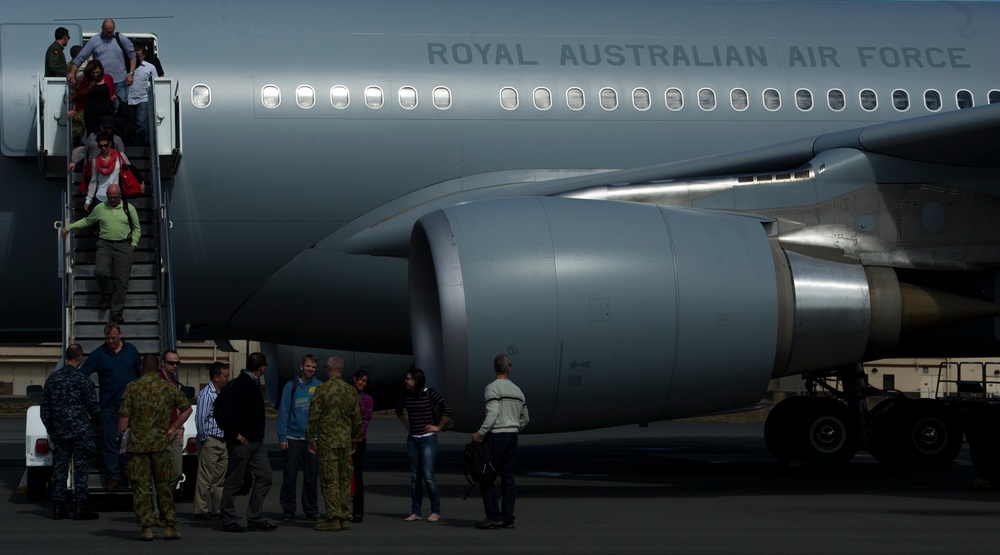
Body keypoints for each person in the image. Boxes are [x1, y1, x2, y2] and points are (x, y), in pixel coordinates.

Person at [119, 352, 192, 541]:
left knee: (141, 487)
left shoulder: (133, 387)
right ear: (158, 368)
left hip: (138, 446)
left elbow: (124, 420)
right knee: (163, 487)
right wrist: (174, 428)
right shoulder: (167, 387)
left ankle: (146, 528)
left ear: (142, 368)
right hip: (161, 444)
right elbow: (187, 408)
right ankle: (170, 527)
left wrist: (121, 442)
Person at [61, 183, 140, 324]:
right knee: (100, 272)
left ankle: (116, 311)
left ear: (120, 196)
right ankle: (106, 294)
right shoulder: (100, 208)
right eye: (110, 197)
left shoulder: (129, 208)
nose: (113, 200)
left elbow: (136, 227)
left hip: (124, 245)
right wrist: (69, 227)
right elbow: (87, 221)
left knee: (121, 281)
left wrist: (133, 244)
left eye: (115, 197)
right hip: (105, 244)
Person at [75, 322, 141, 490]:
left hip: (130, 406)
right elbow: (82, 375)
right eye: (108, 338)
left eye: (114, 337)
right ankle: (113, 476)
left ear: (120, 335)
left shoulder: (131, 351)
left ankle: (127, 469)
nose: (111, 341)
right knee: (108, 441)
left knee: (129, 440)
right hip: (109, 406)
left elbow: (140, 377)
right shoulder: (99, 354)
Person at [215, 352, 277, 533]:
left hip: (257, 443)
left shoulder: (251, 383)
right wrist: (234, 433)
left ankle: (255, 517)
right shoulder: (242, 384)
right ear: (261, 368)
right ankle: (228, 519)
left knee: (265, 477)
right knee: (234, 481)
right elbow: (224, 410)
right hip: (243, 444)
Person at [40, 343, 101, 521]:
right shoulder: (82, 379)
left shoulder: (53, 378)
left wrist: (50, 428)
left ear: (66, 357)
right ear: (80, 358)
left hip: (60, 433)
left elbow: (45, 408)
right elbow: (93, 406)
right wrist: (101, 423)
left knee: (59, 469)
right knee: (81, 470)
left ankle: (58, 507)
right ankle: (80, 507)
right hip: (80, 432)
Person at [472, 354, 530, 530]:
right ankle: (508, 518)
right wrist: (514, 427)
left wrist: (480, 433)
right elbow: (526, 418)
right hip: (512, 436)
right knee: (508, 478)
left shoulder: (492, 388)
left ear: (494, 368)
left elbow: (493, 413)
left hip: (497, 436)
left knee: (486, 476)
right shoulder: (517, 390)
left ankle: (493, 516)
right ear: (508, 368)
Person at [308, 356, 362, 532]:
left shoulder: (322, 390)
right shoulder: (350, 390)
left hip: (328, 442)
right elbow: (357, 418)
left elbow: (314, 416)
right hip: (345, 442)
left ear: (330, 368)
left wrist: (310, 438)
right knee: (344, 479)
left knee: (329, 480)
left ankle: (333, 517)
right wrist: (355, 439)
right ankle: (345, 516)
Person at [395, 368, 451, 522]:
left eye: (408, 378)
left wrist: (438, 427)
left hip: (427, 439)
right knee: (415, 476)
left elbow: (447, 409)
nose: (406, 381)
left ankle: (435, 510)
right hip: (413, 439)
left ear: (416, 381)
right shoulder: (405, 394)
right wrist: (407, 426)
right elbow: (398, 410)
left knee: (428, 475)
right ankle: (416, 511)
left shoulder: (429, 393)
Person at [277, 354, 322, 522]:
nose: (310, 369)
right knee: (290, 476)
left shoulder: (320, 387)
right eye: (308, 366)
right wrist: (283, 436)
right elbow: (284, 412)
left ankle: (311, 509)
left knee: (311, 476)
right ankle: (288, 510)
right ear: (301, 367)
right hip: (293, 437)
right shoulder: (291, 386)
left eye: (313, 367)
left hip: (313, 439)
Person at [67, 19, 136, 108]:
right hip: (101, 81)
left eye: (111, 32)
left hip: (119, 80)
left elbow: (133, 56)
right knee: (102, 107)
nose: (109, 34)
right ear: (102, 28)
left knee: (120, 108)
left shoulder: (121, 39)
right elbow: (81, 57)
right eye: (107, 32)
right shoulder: (94, 40)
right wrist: (72, 72)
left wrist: (131, 74)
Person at [194, 361, 230, 521]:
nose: (227, 379)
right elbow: (200, 418)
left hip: (222, 440)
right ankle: (201, 509)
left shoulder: (222, 393)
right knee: (205, 477)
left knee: (219, 479)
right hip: (211, 440)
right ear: (216, 377)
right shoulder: (206, 395)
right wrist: (204, 439)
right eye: (225, 376)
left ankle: (217, 508)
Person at [83, 129, 135, 211]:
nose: (103, 148)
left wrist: (140, 182)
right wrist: (88, 200)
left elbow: (131, 170)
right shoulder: (96, 160)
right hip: (101, 196)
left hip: (116, 196)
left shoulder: (120, 156)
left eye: (106, 145)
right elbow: (94, 181)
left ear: (110, 143)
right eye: (100, 146)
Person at [158, 351, 187, 496]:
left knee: (176, 472)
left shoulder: (174, 382)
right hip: (161, 432)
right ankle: (160, 507)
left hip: (174, 430)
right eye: (171, 363)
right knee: (160, 474)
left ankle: (164, 500)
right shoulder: (158, 381)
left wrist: (180, 427)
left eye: (177, 363)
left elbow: (179, 407)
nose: (175, 366)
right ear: (163, 363)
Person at [67, 60, 116, 137]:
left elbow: (112, 91)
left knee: (107, 135)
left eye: (97, 72)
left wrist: (113, 97)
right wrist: (74, 109)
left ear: (101, 70)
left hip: (106, 111)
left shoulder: (108, 78)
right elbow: (80, 96)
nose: (95, 75)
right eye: (93, 73)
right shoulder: (86, 81)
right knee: (92, 136)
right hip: (91, 112)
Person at [351, 368, 373, 523]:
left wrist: (356, 435)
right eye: (361, 380)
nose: (363, 383)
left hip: (359, 440)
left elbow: (366, 419)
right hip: (345, 439)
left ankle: (358, 511)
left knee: (357, 475)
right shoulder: (347, 395)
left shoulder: (367, 399)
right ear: (354, 379)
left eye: (365, 381)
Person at [127, 45, 156, 144]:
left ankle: (139, 145)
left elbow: (155, 83)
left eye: (138, 56)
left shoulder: (150, 67)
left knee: (141, 123)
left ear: (143, 56)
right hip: (128, 99)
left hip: (143, 99)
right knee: (129, 123)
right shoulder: (125, 67)